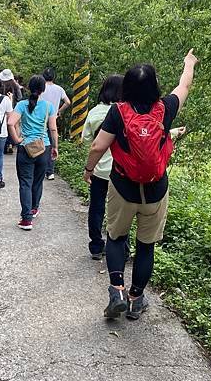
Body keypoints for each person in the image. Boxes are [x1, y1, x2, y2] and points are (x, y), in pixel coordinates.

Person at [83, 49, 198, 320]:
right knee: (146, 246)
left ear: (127, 87)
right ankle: (136, 299)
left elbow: (99, 145)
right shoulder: (165, 109)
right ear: (155, 86)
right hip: (156, 192)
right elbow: (185, 85)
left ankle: (117, 290)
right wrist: (188, 63)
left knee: (115, 237)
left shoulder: (118, 112)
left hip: (123, 188)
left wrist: (89, 169)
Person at [83, 74, 128, 261]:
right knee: (121, 213)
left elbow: (87, 140)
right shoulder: (127, 112)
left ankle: (95, 246)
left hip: (99, 171)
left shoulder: (94, 112)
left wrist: (88, 168)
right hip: (122, 172)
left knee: (96, 208)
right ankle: (122, 249)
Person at [8, 75, 58, 231]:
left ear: (29, 88)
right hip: (44, 148)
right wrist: (55, 147)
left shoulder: (22, 105)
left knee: (25, 183)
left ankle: (26, 220)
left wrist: (17, 139)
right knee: (37, 181)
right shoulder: (49, 106)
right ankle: (34, 208)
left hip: (25, 148)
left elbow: (10, 122)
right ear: (43, 89)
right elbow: (53, 129)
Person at [41, 67, 70, 180]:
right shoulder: (59, 89)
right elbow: (68, 102)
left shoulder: (41, 88)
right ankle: (50, 172)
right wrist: (59, 111)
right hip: (53, 118)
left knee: (41, 143)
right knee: (52, 144)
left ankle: (41, 169)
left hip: (41, 119)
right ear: (54, 77)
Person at [0, 68, 23, 154]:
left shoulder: (1, 85)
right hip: (15, 109)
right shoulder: (15, 85)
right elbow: (20, 98)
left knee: (5, 126)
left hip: (2, 109)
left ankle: (6, 144)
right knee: (14, 126)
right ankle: (12, 143)